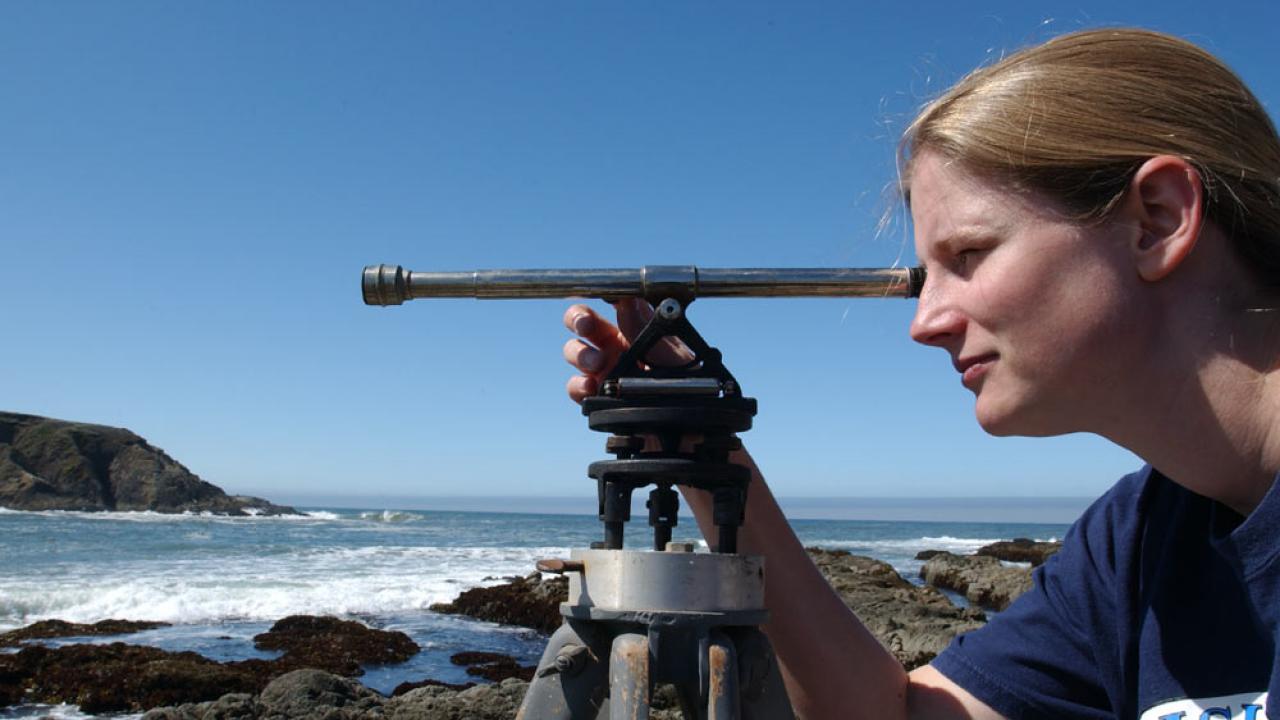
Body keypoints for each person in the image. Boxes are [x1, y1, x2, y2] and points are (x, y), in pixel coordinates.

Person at [562, 28, 1280, 719]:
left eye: (968, 254)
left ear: (1156, 219)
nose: (925, 322)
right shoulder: (1139, 543)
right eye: (922, 278)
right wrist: (705, 452)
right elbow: (897, 714)